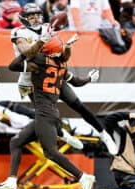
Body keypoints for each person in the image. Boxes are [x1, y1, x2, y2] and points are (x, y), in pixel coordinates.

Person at [0, 35, 96, 189]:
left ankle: (82, 177)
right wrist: (90, 78)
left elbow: (13, 66)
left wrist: (34, 47)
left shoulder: (40, 60)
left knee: (50, 152)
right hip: (49, 112)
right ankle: (12, 181)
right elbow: (76, 82)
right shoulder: (61, 64)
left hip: (45, 113)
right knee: (16, 142)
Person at [9, 3, 118, 155]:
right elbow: (27, 53)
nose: (35, 19)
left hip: (52, 74)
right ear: (24, 18)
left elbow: (60, 55)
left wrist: (66, 48)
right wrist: (42, 41)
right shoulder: (18, 32)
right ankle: (62, 134)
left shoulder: (48, 28)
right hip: (31, 80)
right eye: (31, 16)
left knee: (78, 105)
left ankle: (104, 135)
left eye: (37, 15)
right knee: (45, 114)